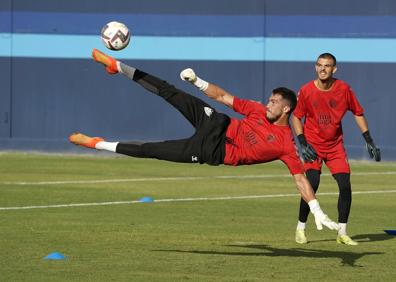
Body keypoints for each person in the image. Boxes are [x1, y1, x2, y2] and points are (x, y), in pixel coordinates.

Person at [70, 48, 340, 231]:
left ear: (286, 109)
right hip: (215, 122)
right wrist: (197, 81)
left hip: (212, 150)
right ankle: (117, 65)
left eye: (273, 102)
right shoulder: (257, 109)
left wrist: (316, 209)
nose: (267, 103)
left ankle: (97, 143)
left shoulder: (285, 145)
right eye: (269, 99)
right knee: (169, 91)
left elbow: (300, 179)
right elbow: (223, 97)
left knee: (153, 150)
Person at [292, 53, 381, 245]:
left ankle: (342, 232)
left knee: (345, 186)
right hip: (313, 146)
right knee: (312, 184)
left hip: (335, 147)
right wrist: (302, 142)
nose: (323, 69)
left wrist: (369, 139)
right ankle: (300, 228)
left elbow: (358, 113)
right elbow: (296, 117)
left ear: (334, 69)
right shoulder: (306, 90)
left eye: (327, 66)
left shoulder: (344, 89)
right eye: (320, 65)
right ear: (316, 67)